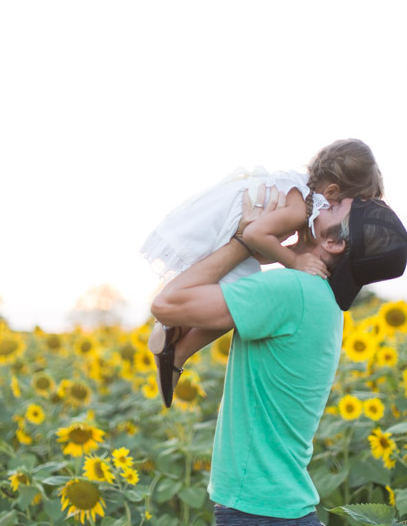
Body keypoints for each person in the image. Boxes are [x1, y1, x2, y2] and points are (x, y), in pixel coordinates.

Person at [150, 191, 407, 525]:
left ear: (333, 243)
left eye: (336, 205)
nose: (322, 200)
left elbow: (166, 306)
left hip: (257, 511)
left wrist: (243, 240)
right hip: (275, 508)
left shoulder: (293, 291)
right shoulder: (320, 298)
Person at [142, 138, 384, 406]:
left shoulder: (297, 196)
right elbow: (255, 233)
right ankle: (178, 344)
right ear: (332, 191)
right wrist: (294, 261)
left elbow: (259, 247)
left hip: (230, 219)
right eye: (345, 204)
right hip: (233, 222)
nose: (342, 209)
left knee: (236, 286)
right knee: (240, 288)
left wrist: (287, 253)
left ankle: (175, 333)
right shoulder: (301, 208)